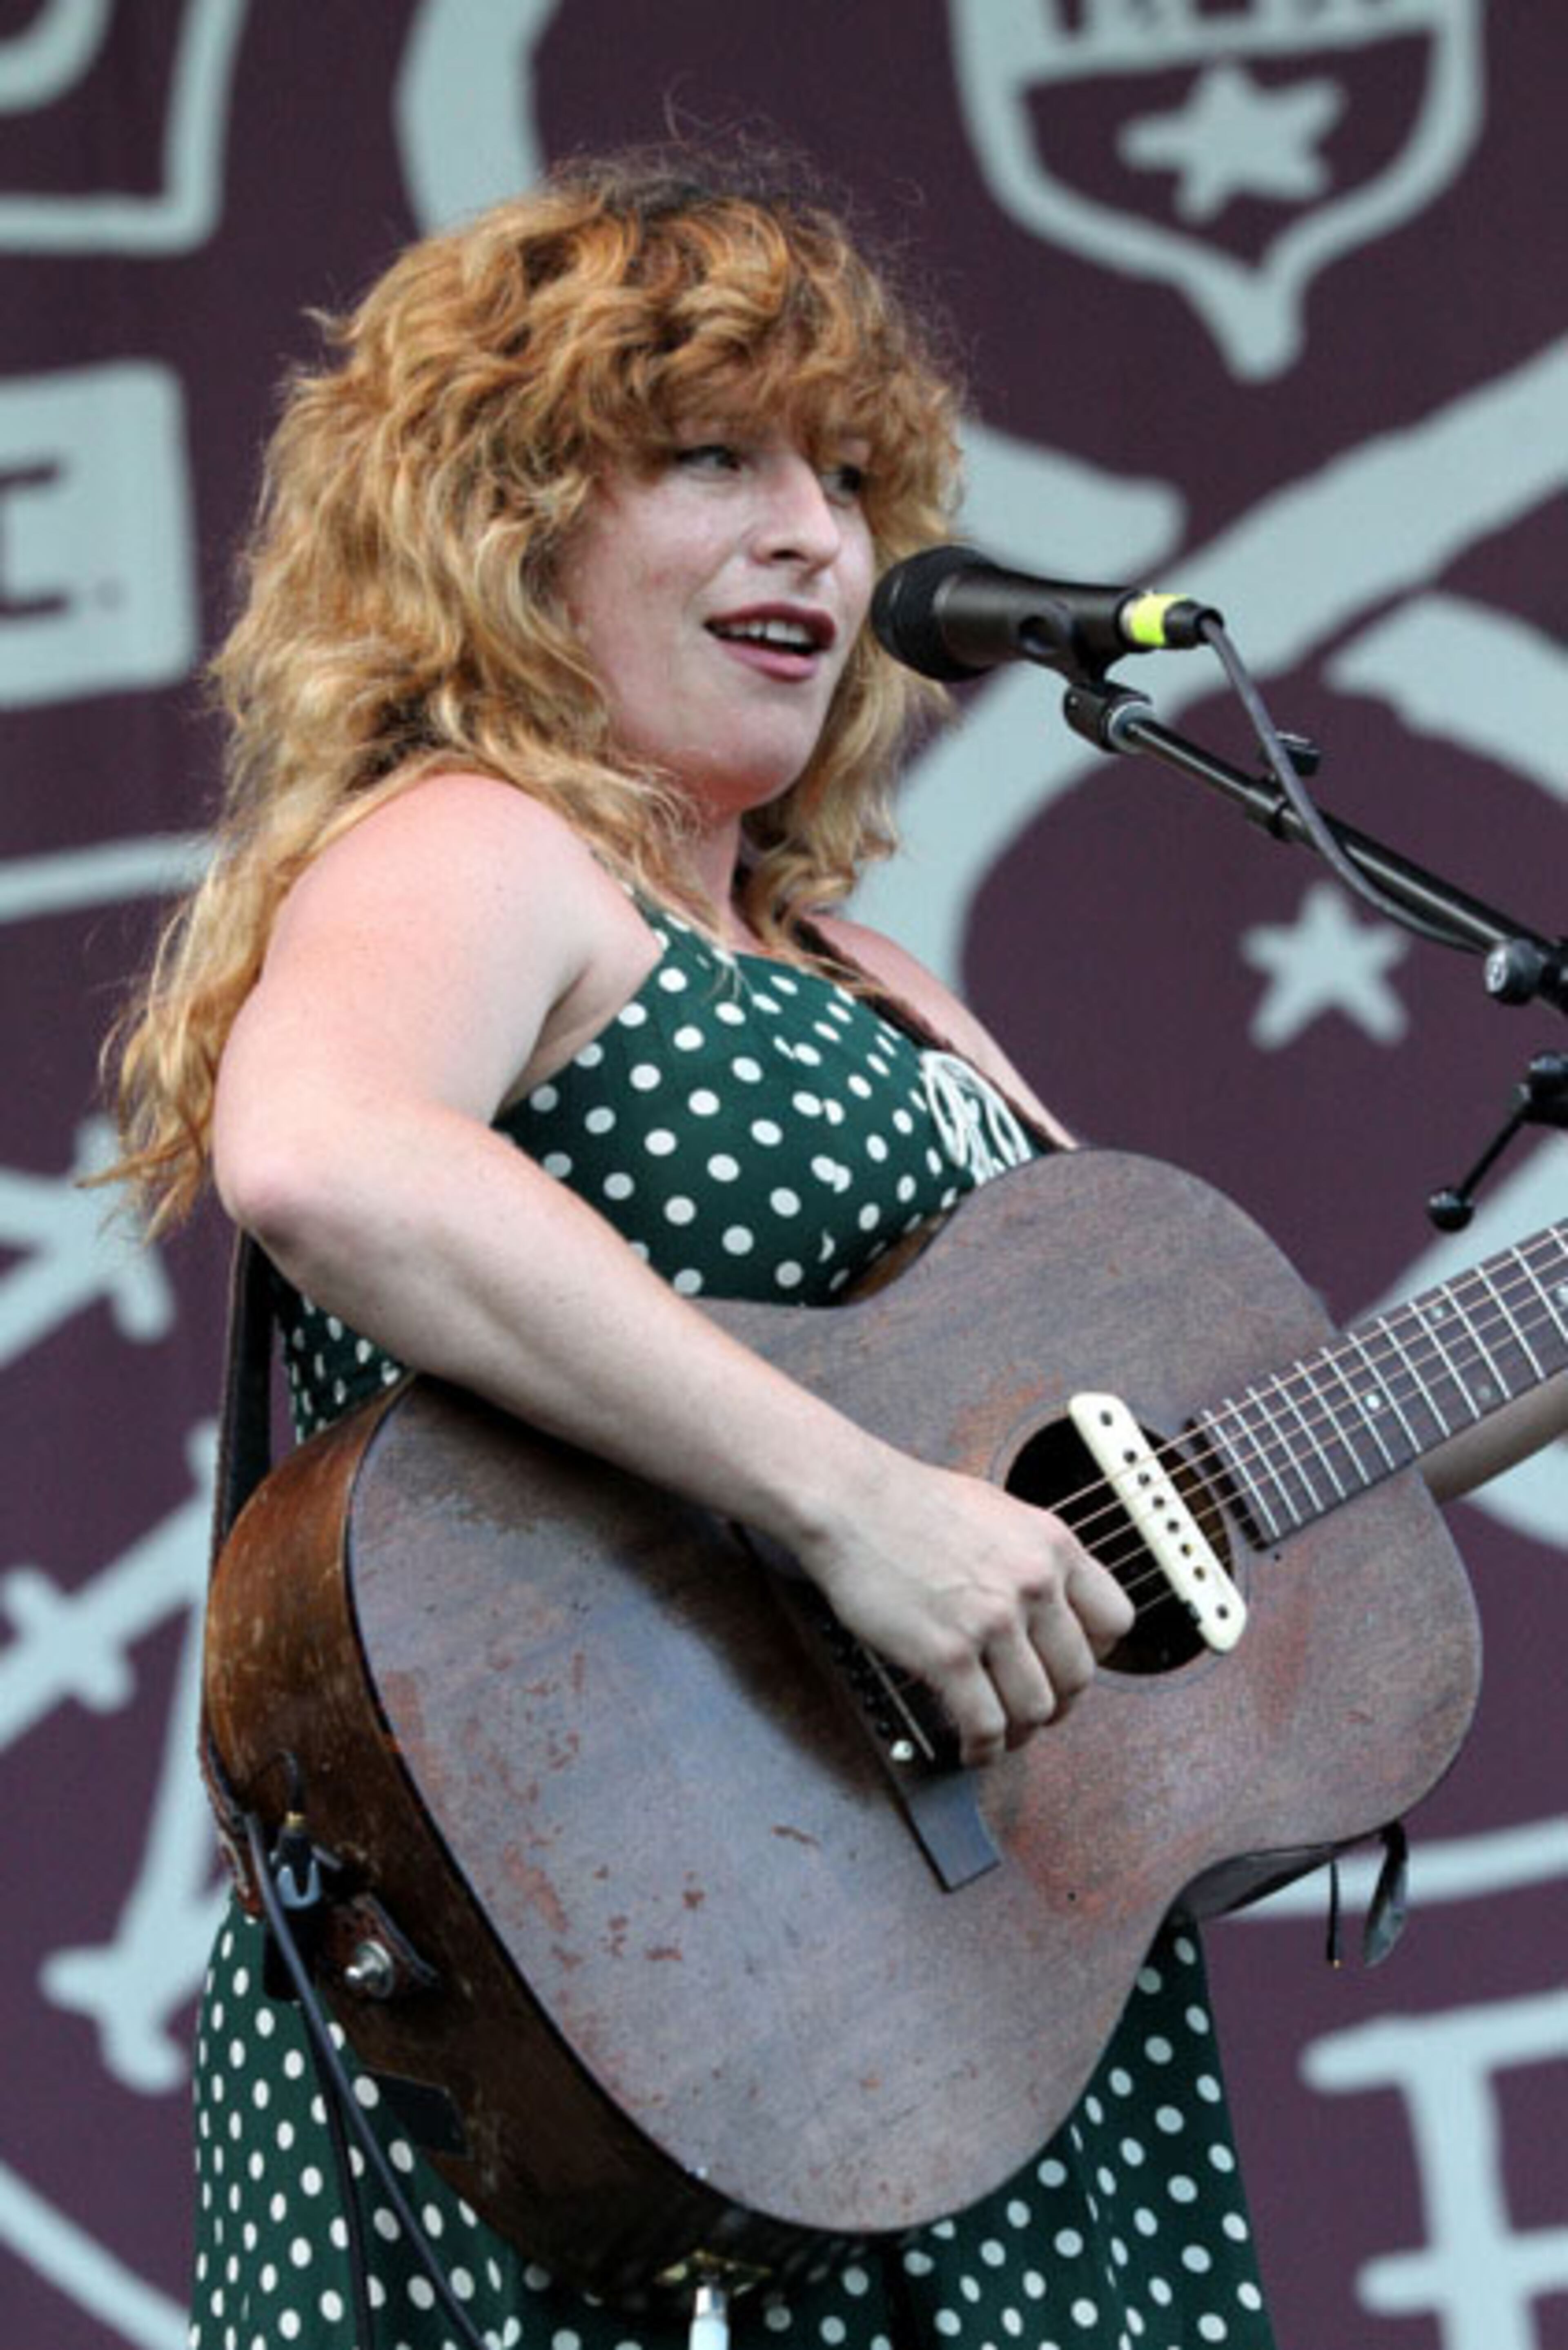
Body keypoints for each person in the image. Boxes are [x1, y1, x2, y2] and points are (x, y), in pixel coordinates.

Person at [105, 150, 1562, 2350]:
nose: (817, 534)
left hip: (974, 2047)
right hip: (631, 2021)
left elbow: (1189, 1507)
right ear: (500, 524)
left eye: (847, 476)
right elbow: (327, 1156)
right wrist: (863, 1511)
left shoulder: (860, 971)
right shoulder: (486, 851)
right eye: (711, 457)